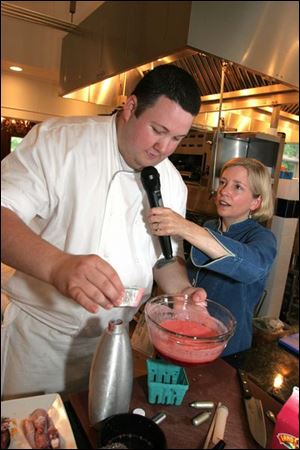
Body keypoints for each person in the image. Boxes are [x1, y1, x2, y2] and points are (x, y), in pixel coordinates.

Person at [1, 64, 207, 400]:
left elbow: (165, 259)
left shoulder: (171, 182)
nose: (164, 148)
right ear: (130, 107)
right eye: (158, 129)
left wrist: (182, 293)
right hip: (39, 341)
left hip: (112, 344)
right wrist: (57, 265)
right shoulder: (59, 142)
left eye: (177, 138)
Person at [147, 157, 277, 356]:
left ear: (256, 202)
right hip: (188, 329)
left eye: (238, 187)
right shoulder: (209, 227)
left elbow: (253, 267)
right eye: (223, 182)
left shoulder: (262, 237)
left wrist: (186, 227)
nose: (224, 191)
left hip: (228, 345)